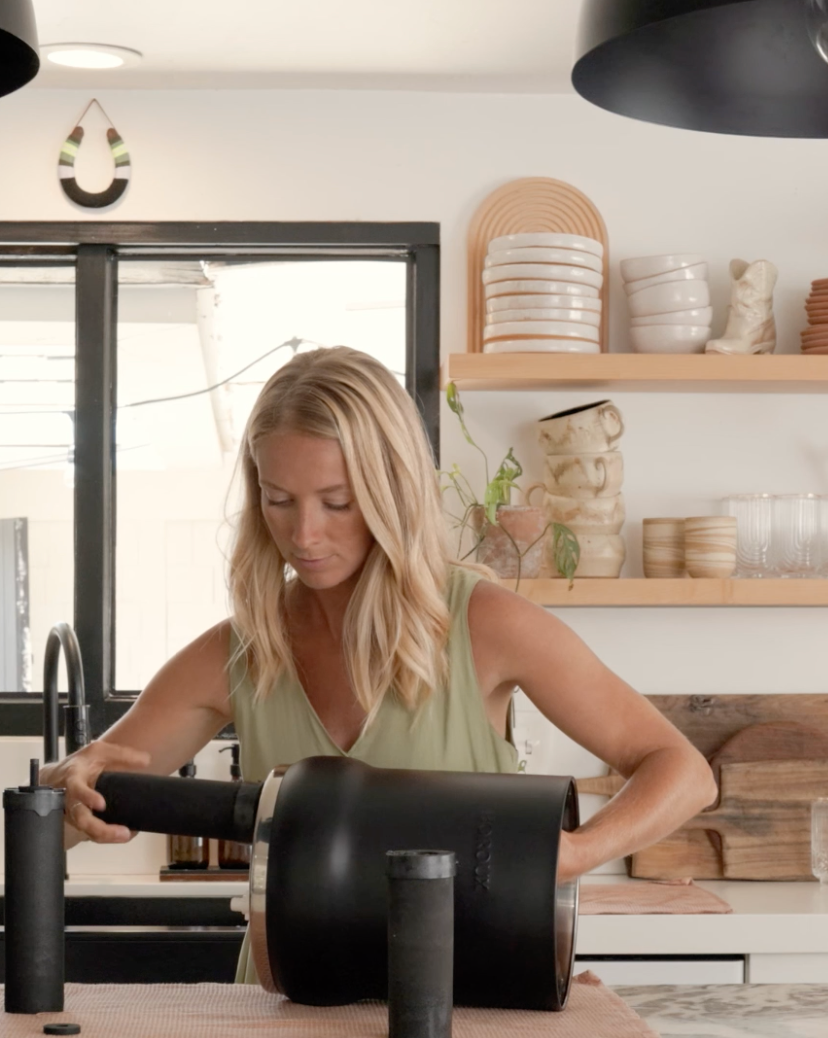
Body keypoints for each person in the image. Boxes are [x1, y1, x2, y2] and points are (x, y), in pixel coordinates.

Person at [43, 346, 715, 894]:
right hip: (289, 1007)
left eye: (337, 502)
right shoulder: (239, 652)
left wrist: (573, 854)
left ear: (392, 491)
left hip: (467, 1006)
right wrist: (66, 790)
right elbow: (72, 807)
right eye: (280, 500)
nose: (304, 533)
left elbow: (681, 770)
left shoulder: (487, 625)